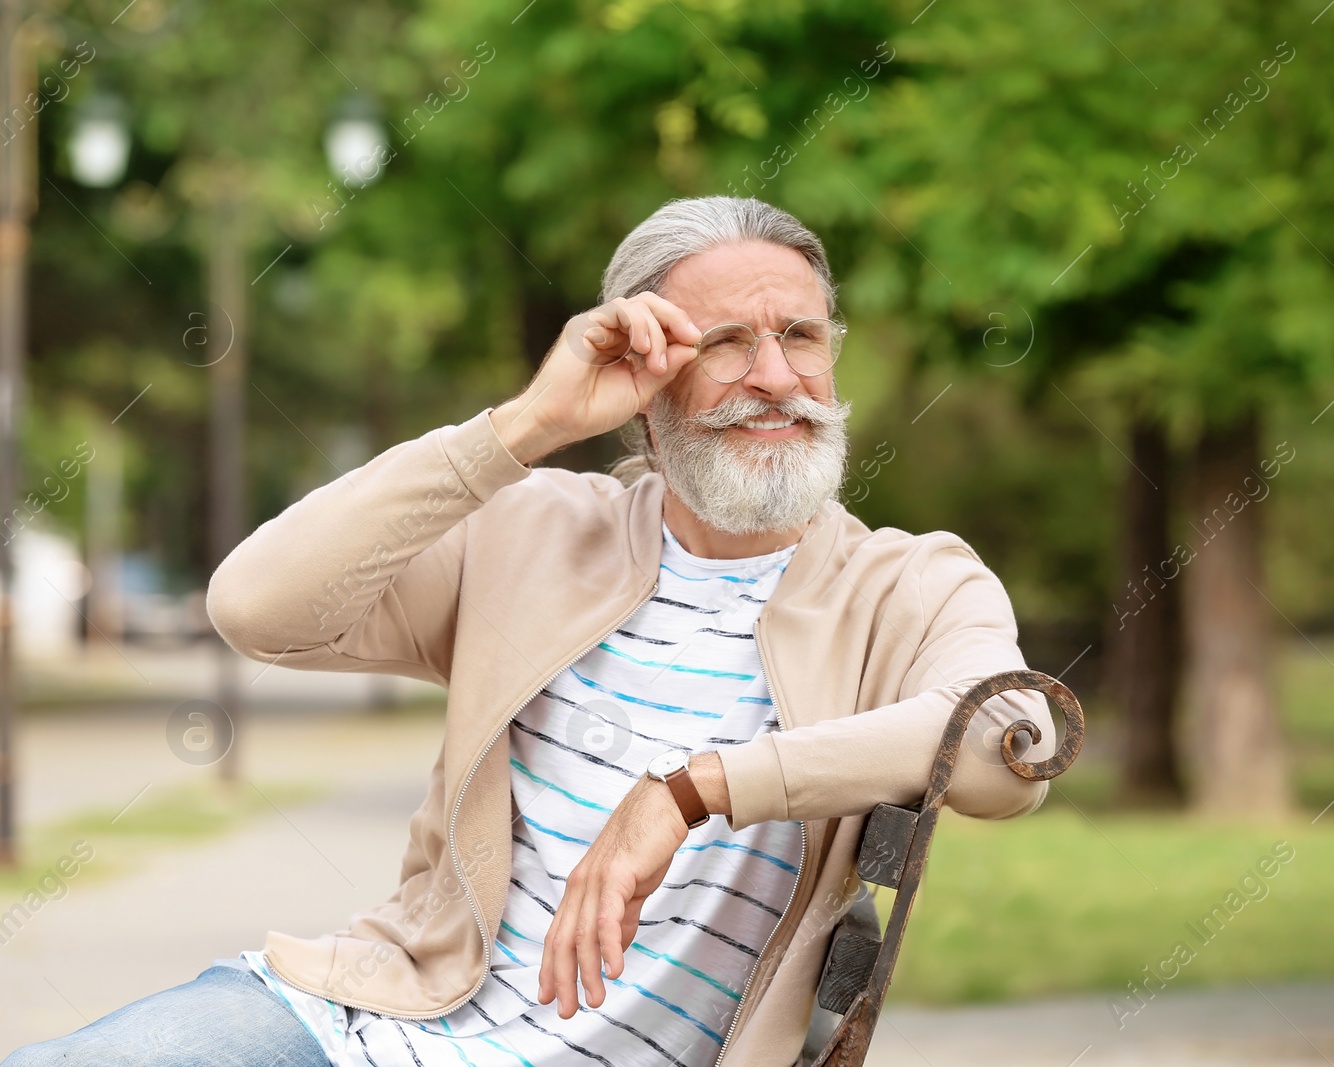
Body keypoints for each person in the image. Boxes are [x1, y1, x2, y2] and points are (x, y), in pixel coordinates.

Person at [2, 195, 1053, 1067]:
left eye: (800, 336)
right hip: (358, 1028)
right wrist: (525, 428)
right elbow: (256, 607)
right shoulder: (539, 525)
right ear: (646, 382)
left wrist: (696, 787)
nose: (774, 376)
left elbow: (1014, 747)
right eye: (726, 342)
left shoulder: (909, 582)